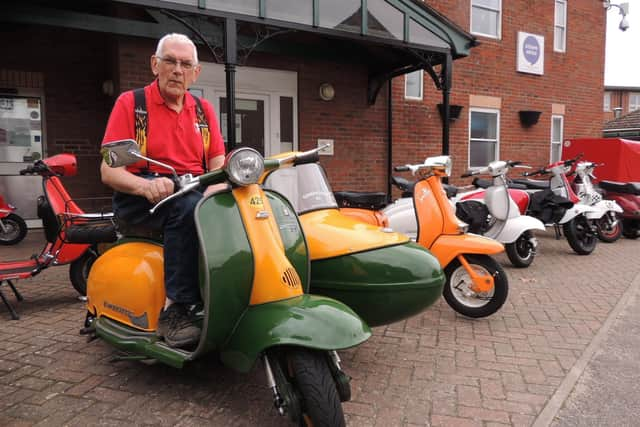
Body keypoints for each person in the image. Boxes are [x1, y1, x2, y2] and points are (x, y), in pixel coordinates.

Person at [100, 33, 226, 349]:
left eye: (186, 64)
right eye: (170, 61)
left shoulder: (203, 111)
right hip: (140, 198)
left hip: (191, 189)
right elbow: (108, 170)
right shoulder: (132, 105)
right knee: (187, 210)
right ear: (155, 65)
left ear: (196, 73)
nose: (177, 70)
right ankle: (176, 309)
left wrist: (221, 189)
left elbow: (217, 162)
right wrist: (145, 185)